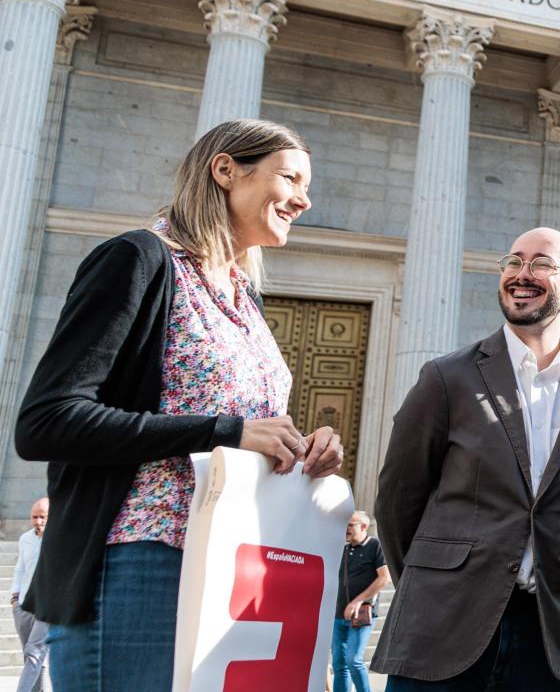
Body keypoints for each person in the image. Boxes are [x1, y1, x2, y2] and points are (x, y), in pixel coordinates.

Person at [14, 118, 344, 691]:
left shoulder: (244, 296)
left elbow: (241, 428)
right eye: (290, 178)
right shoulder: (137, 259)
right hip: (136, 561)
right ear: (225, 170)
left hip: (226, 564)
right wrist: (226, 430)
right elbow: (48, 420)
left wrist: (297, 445)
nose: (304, 198)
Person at [375, 228, 560, 691]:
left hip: (543, 633)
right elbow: (397, 500)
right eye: (513, 261)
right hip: (443, 621)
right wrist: (435, 580)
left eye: (542, 264)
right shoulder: (446, 377)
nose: (521, 274)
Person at [333, 510, 389, 692]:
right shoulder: (344, 548)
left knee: (354, 660)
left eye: (351, 525)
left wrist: (358, 600)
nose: (346, 529)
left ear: (364, 526)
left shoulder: (375, 545)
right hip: (339, 613)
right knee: (339, 664)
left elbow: (384, 578)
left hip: (362, 613)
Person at [10, 497, 49, 692]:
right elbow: (20, 568)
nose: (38, 521)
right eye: (35, 517)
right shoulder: (25, 539)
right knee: (32, 657)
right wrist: (15, 599)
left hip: (47, 606)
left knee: (35, 653)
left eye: (42, 517)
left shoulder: (58, 539)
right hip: (24, 605)